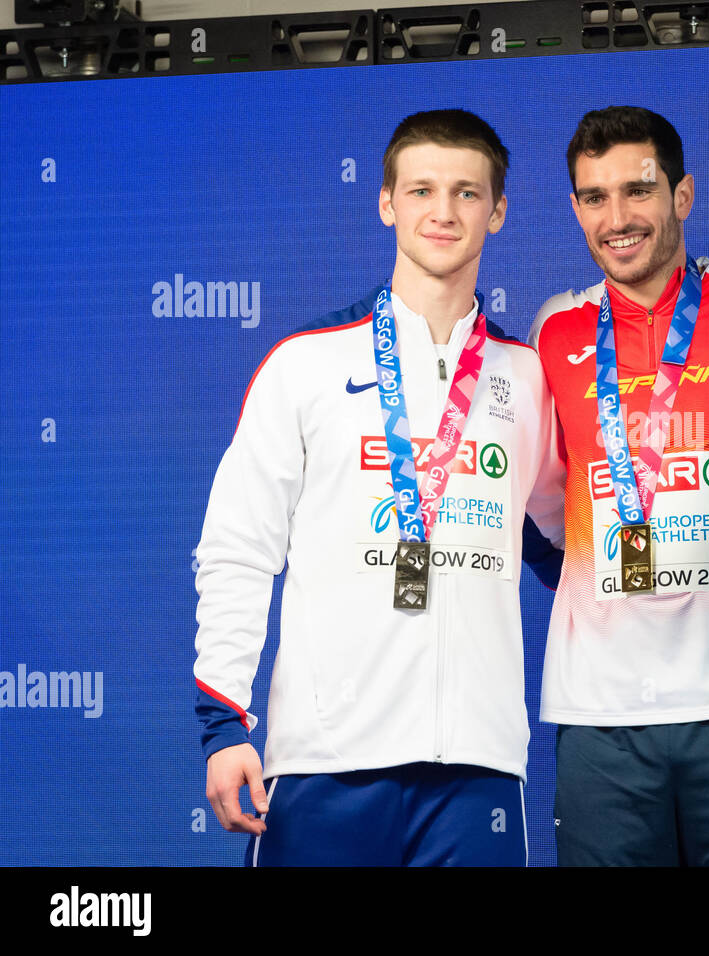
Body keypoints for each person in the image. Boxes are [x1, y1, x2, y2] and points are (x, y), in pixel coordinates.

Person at [193, 108, 564, 866]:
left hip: (478, 769)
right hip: (324, 763)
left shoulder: (527, 377)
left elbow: (564, 543)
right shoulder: (304, 363)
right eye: (422, 189)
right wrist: (225, 722)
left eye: (467, 193)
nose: (443, 211)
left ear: (497, 210)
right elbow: (236, 549)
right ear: (387, 202)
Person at [528, 106, 709, 866]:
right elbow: (548, 502)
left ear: (682, 195)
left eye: (638, 191)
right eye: (593, 197)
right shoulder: (556, 330)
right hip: (600, 708)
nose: (617, 218)